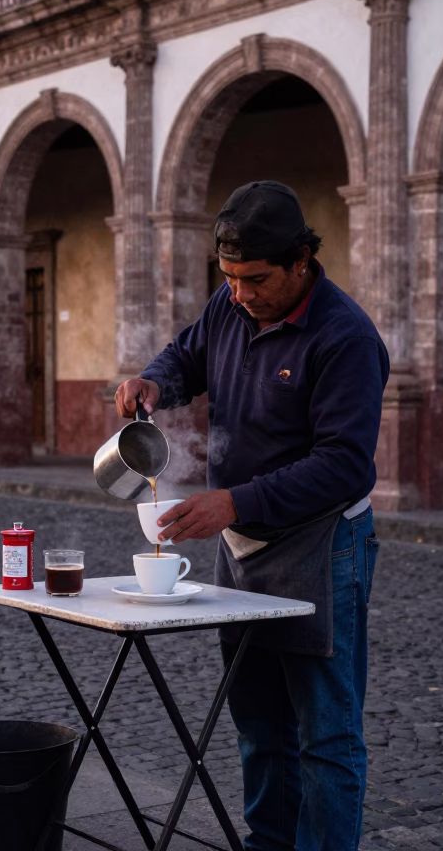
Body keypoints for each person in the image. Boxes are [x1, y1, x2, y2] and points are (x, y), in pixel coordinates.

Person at [115, 180, 389, 850]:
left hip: (322, 546)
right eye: (229, 278)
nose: (240, 293)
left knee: (325, 733)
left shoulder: (345, 337)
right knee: (259, 721)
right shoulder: (230, 306)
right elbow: (187, 353)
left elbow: (344, 465)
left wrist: (234, 500)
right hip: (240, 547)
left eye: (256, 278)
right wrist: (157, 380)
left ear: (301, 261)